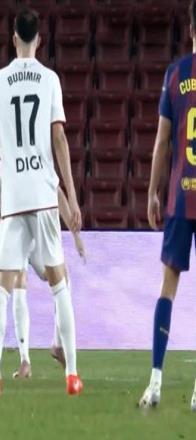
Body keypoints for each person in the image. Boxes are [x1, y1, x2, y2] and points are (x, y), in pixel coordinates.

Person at [0, 8, 83, 396]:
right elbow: (59, 138)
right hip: (42, 192)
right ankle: (72, 375)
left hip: (15, 195)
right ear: (39, 39)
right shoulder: (50, 79)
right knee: (59, 282)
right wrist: (72, 196)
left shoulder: (0, 80)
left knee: (2, 288)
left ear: (13, 39)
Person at [0, 149, 86, 378]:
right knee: (21, 281)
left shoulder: (33, 151)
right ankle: (28, 359)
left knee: (60, 277)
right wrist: (2, 230)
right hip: (16, 231)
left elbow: (56, 192)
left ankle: (52, 346)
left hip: (33, 233)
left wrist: (75, 234)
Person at [138, 1, 196, 410]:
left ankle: (155, 381)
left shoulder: (176, 73)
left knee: (168, 285)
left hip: (180, 196)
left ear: (191, 28)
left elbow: (162, 141)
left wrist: (152, 192)